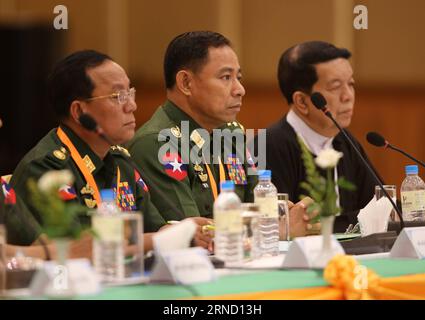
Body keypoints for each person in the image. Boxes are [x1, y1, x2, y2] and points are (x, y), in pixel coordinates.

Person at [9, 50, 211, 257]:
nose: (132, 105)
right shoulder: (46, 168)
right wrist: (163, 238)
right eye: (117, 96)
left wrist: (184, 231)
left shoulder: (119, 160)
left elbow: (153, 228)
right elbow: (79, 250)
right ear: (79, 112)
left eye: (130, 93)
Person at [127, 31, 317, 239]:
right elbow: (196, 233)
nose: (240, 89)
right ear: (186, 83)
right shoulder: (157, 142)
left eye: (239, 78)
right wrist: (270, 229)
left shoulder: (231, 132)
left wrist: (292, 213)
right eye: (226, 77)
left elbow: (263, 202)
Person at [258, 41, 377, 232]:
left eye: (351, 84)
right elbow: (278, 228)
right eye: (335, 87)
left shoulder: (346, 141)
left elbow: (379, 208)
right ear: (302, 102)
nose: (348, 96)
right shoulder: (268, 147)